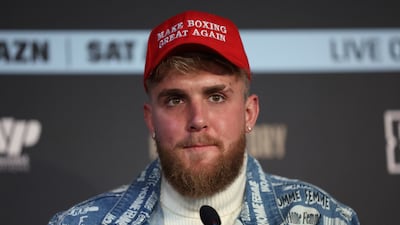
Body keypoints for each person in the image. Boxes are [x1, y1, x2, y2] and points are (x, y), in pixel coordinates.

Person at [48, 10, 360, 225]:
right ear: (150, 121)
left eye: (216, 97)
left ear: (249, 113)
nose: (197, 119)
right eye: (175, 99)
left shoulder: (323, 218)